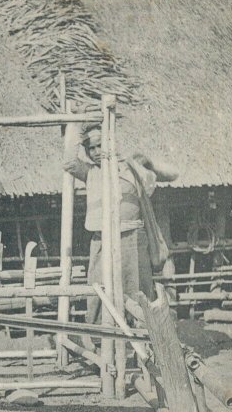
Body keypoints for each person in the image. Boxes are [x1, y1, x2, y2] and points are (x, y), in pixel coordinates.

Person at [63, 121, 179, 325]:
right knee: (100, 289)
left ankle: (143, 344)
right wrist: (77, 126)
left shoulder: (131, 167)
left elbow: (173, 174)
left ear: (110, 143)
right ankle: (102, 343)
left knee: (138, 291)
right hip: (102, 240)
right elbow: (69, 162)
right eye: (91, 148)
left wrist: (148, 163)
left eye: (100, 145)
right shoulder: (90, 172)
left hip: (133, 239)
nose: (97, 151)